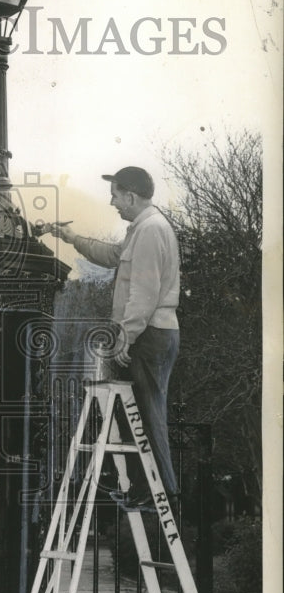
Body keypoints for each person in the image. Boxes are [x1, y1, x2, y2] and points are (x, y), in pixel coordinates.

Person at [49, 166, 181, 507]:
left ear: (131, 196)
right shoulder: (142, 229)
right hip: (148, 332)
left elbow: (144, 293)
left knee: (148, 414)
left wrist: (127, 336)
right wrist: (71, 238)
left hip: (149, 334)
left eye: (115, 195)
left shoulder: (151, 230)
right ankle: (145, 488)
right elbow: (111, 256)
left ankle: (158, 490)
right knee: (138, 411)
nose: (112, 202)